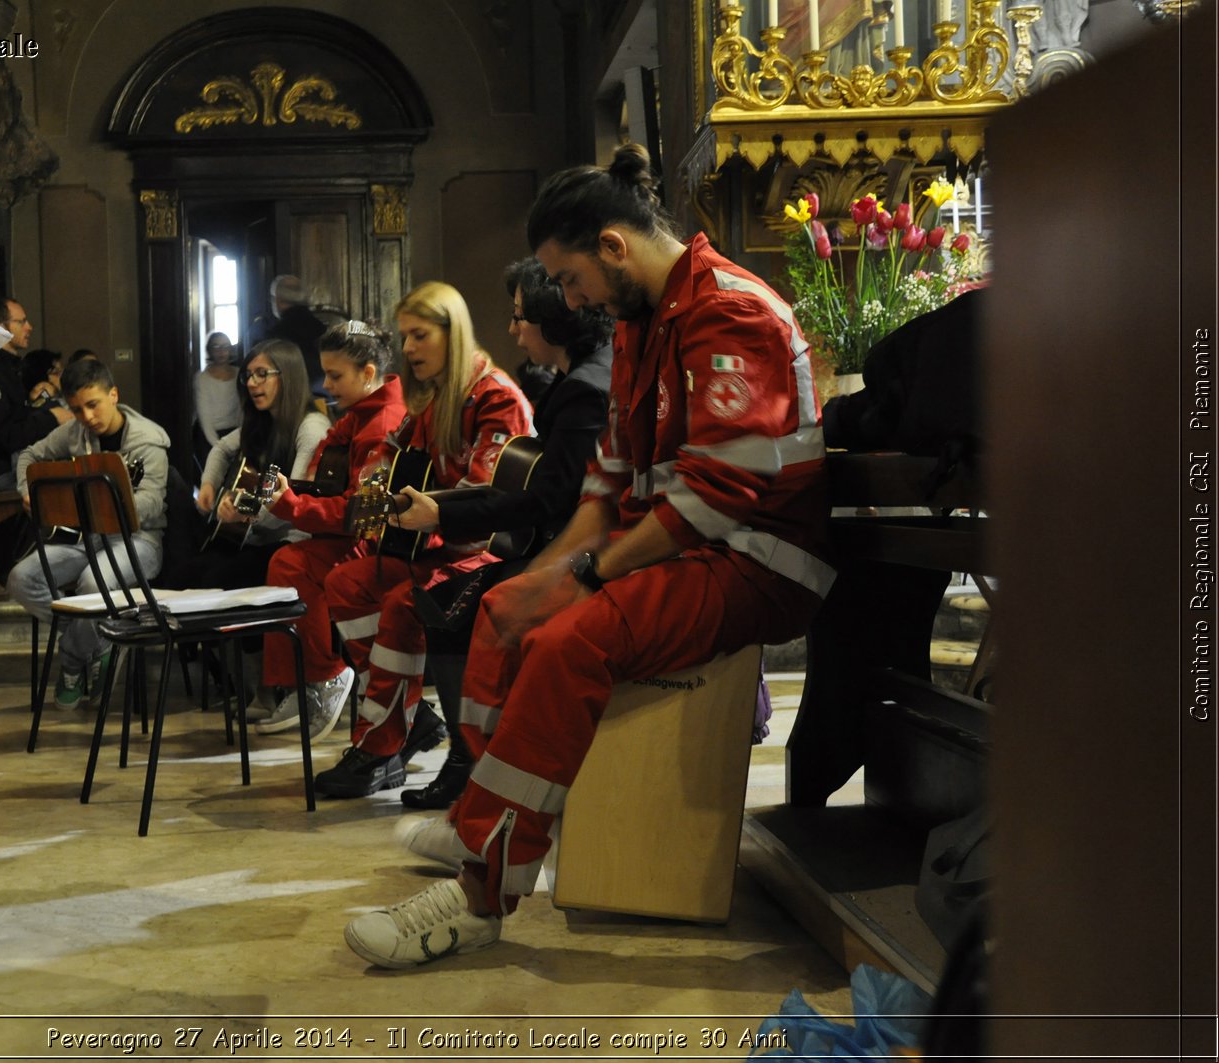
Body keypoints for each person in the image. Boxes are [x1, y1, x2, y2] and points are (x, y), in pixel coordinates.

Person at [343, 145, 833, 969]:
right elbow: (606, 490)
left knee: (574, 640)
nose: (569, 301)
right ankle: (485, 810)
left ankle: (479, 894)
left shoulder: (728, 312)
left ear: (612, 246)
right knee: (504, 609)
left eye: (569, 281)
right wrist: (541, 579)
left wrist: (587, 578)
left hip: (759, 558)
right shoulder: (645, 323)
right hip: (686, 547)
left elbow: (714, 498)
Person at [387, 257, 613, 810]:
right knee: (427, 595)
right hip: (548, 537)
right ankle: (461, 754)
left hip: (580, 549)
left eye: (520, 317)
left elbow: (547, 500)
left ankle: (475, 762)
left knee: (454, 599)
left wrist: (439, 515)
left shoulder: (579, 388)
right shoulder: (568, 380)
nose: (512, 329)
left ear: (552, 320)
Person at [311, 282, 533, 799]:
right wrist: (376, 477)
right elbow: (392, 453)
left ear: (451, 335)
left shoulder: (496, 397)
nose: (407, 349)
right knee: (344, 582)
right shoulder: (432, 398)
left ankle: (383, 745)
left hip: (486, 553)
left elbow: (488, 501)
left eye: (419, 335)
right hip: (435, 546)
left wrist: (428, 510)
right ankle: (403, 722)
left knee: (398, 605)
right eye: (405, 336)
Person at [250, 321, 408, 738]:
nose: (326, 383)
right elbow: (326, 476)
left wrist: (290, 505)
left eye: (336, 375)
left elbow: (363, 514)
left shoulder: (384, 422)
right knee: (285, 562)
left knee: (292, 566)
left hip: (377, 543)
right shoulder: (357, 415)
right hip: (352, 536)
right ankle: (305, 683)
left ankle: (326, 676)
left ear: (368, 374)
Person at [6, 359, 170, 709]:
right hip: (86, 538)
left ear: (113, 395)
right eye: (77, 409)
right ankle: (100, 639)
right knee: (22, 578)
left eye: (93, 405)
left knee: (92, 584)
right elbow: (30, 456)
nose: (87, 417)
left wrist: (99, 507)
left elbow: (152, 504)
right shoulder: (76, 432)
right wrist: (27, 492)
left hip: (139, 540)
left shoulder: (147, 440)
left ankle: (71, 659)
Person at [187, 339, 329, 724]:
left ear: (289, 377)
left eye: (262, 374)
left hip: (295, 540)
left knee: (234, 580)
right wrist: (211, 488)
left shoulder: (310, 426)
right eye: (248, 375)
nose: (252, 383)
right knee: (198, 576)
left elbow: (294, 502)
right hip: (259, 536)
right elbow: (219, 452)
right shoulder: (259, 420)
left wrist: (244, 514)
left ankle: (267, 689)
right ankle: (251, 686)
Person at [0, 295, 66, 490]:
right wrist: (51, 417)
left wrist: (43, 403)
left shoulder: (8, 366)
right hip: (4, 472)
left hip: (16, 463)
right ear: (0, 327)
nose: (29, 327)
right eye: (21, 322)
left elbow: (18, 415)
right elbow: (6, 435)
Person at [266, 275, 328, 395]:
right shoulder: (320, 328)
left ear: (278, 300)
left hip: (294, 396)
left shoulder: (276, 335)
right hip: (326, 393)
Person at [192, 331, 242, 469]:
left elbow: (242, 409)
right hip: (209, 437)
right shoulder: (202, 378)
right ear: (209, 350)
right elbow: (204, 417)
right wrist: (219, 446)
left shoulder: (239, 374)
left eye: (225, 346)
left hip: (236, 434)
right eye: (216, 346)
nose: (221, 351)